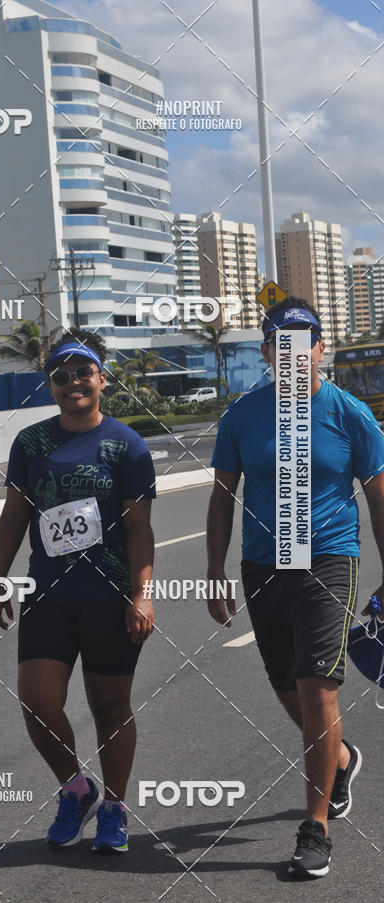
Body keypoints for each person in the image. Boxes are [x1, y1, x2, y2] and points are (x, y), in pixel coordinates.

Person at [206, 297, 384, 879]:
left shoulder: (350, 414)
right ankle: (341, 758)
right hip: (263, 564)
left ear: (318, 349)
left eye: (302, 341)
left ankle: (316, 827)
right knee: (286, 685)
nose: (291, 352)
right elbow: (221, 497)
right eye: (278, 342)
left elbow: (380, 501)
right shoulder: (241, 417)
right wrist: (213, 571)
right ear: (265, 352)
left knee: (316, 687)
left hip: (330, 558)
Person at [0, 328, 156, 853]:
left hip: (108, 595)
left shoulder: (125, 445)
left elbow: (139, 529)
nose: (72, 382)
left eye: (82, 372)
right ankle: (76, 789)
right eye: (60, 376)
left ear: (101, 379)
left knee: (110, 706)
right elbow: (15, 514)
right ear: (51, 385)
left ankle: (115, 809)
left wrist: (141, 593)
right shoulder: (32, 443)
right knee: (38, 701)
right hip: (49, 595)